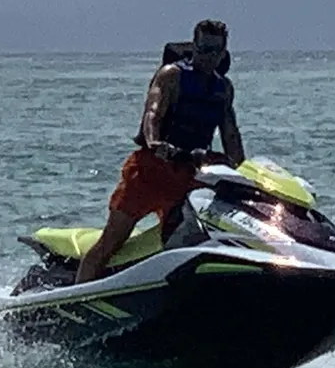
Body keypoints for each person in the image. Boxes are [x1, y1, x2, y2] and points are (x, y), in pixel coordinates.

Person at [74, 19, 246, 284]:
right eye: (202, 48)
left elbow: (231, 133)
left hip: (190, 178)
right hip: (149, 172)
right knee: (112, 240)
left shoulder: (223, 88)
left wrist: (243, 171)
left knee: (193, 241)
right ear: (193, 46)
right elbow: (153, 112)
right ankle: (78, 292)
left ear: (223, 53)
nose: (208, 56)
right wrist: (155, 143)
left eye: (214, 50)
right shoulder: (171, 75)